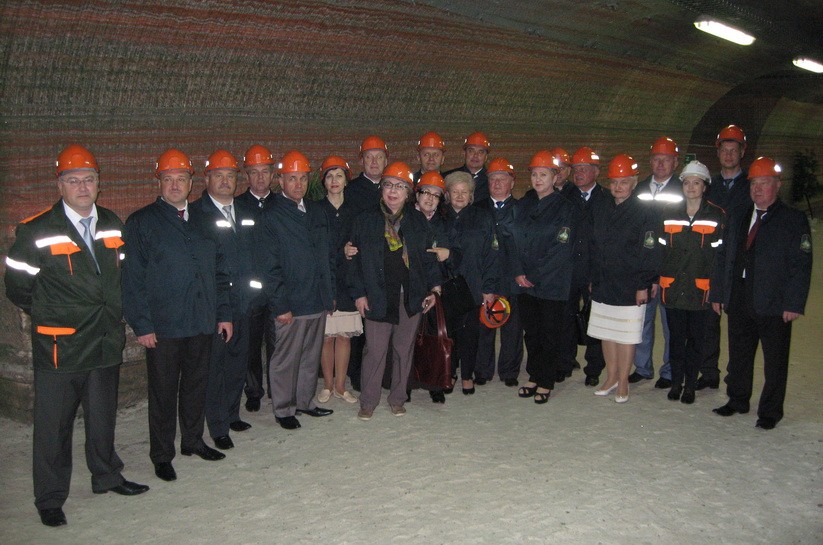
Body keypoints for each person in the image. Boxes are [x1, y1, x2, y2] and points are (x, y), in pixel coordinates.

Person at [5, 145, 149, 527]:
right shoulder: (36, 230)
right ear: (60, 185)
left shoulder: (112, 223)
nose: (82, 187)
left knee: (102, 418)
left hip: (104, 341)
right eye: (73, 180)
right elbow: (18, 288)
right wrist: (54, 314)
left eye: (88, 179)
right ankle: (50, 497)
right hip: (61, 346)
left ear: (99, 183)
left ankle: (107, 476)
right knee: (54, 426)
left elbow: (119, 275)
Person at [122, 148, 232, 483]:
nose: (174, 185)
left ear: (190, 182)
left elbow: (219, 271)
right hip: (164, 326)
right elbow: (132, 279)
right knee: (163, 392)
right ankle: (161, 455)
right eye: (168, 179)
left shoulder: (205, 219)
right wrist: (142, 325)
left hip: (201, 320)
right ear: (159, 182)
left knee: (197, 385)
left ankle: (193, 441)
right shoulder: (141, 222)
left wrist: (223, 313)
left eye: (180, 179)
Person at [710, 157, 812, 430]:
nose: (757, 189)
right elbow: (724, 256)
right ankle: (737, 399)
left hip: (774, 301)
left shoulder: (793, 220)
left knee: (775, 361)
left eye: (764, 183)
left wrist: (794, 303)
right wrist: (719, 292)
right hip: (740, 296)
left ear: (777, 185)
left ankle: (770, 411)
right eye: (754, 184)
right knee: (739, 354)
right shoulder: (739, 215)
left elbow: (801, 265)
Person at [348, 162, 441, 420]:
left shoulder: (417, 221)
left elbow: (428, 257)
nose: (392, 191)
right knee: (375, 351)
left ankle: (398, 398)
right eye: (388, 185)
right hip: (377, 296)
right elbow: (353, 261)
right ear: (381, 189)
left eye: (399, 186)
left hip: (410, 296)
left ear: (408, 192)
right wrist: (359, 294)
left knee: (404, 350)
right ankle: (368, 401)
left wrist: (434, 289)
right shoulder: (365, 220)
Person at [258, 150, 335, 430]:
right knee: (286, 359)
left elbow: (325, 255)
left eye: (303, 178)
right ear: (281, 181)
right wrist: (280, 305)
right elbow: (269, 267)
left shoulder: (316, 210)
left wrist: (328, 294)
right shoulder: (271, 216)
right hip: (290, 303)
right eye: (292, 178)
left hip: (316, 298)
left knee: (310, 357)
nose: (298, 184)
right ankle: (283, 409)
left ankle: (304, 401)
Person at [191, 150, 259, 450]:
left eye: (230, 175)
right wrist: (218, 309)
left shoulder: (244, 211)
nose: (224, 181)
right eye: (218, 175)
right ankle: (217, 425)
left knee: (237, 364)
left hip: (244, 303)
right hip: (217, 306)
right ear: (207, 178)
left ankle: (232, 414)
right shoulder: (196, 215)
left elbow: (254, 254)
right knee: (216, 369)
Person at [587, 154, 661, 403]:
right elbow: (593, 245)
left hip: (630, 284)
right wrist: (592, 276)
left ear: (634, 182)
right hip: (603, 281)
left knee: (625, 335)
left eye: (624, 182)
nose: (618, 187)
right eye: (614, 182)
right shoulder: (601, 206)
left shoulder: (645, 211)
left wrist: (644, 284)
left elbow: (649, 250)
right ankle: (611, 377)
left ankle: (624, 381)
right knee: (606, 331)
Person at [508, 153, 575, 404]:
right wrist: (518, 271)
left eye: (543, 174)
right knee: (532, 333)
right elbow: (512, 239)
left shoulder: (565, 207)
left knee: (549, 333)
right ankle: (534, 376)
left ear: (555, 178)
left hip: (551, 283)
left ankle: (546, 381)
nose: (538, 179)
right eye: (535, 174)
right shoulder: (524, 204)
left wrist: (534, 275)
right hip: (525, 283)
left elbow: (561, 248)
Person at [657, 160, 725, 404]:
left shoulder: (716, 215)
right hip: (673, 289)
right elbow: (660, 252)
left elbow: (720, 258)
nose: (691, 187)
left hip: (700, 291)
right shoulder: (668, 213)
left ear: (704, 187)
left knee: (696, 341)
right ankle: (676, 383)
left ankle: (690, 387)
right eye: (687, 183)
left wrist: (718, 290)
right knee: (676, 340)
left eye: (696, 183)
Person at [699, 125, 752, 390]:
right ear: (717, 152)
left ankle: (735, 379)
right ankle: (709, 373)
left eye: (734, 150)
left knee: (739, 327)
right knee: (709, 321)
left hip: (740, 264)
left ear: (742, 152)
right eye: (724, 150)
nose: (729, 155)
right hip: (712, 261)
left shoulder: (751, 185)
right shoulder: (709, 187)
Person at [630, 136, 683, 389]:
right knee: (643, 320)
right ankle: (642, 367)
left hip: (671, 268)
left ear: (675, 162)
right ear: (650, 162)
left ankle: (670, 371)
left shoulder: (684, 189)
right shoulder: (639, 189)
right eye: (656, 159)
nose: (661, 164)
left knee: (671, 324)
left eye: (666, 159)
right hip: (645, 267)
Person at [444, 170, 498, 394]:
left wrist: (488, 287)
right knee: (448, 333)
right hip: (446, 285)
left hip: (473, 284)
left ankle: (467, 375)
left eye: (464, 192)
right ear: (447, 194)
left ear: (471, 195)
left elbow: (491, 255)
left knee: (470, 334)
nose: (459, 196)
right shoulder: (439, 217)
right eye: (455, 191)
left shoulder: (483, 218)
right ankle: (449, 373)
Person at [344, 136, 390, 391]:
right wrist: (345, 247)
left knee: (386, 326)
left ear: (386, 160)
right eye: (369, 157)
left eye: (379, 157)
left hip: (389, 267)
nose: (374, 162)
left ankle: (384, 374)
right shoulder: (351, 191)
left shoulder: (394, 187)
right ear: (361, 160)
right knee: (360, 327)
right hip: (362, 266)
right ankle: (357, 375)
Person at [473, 158, 524, 387]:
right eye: (493, 179)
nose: (497, 183)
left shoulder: (522, 210)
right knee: (484, 324)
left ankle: (509, 371)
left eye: (502, 179)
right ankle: (482, 370)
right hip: (486, 277)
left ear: (512, 182)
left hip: (512, 277)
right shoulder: (477, 209)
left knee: (512, 328)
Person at [560, 147, 607, 386]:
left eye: (584, 169)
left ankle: (594, 368)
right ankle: (566, 361)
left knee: (595, 320)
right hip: (568, 270)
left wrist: (598, 273)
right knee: (566, 317)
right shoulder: (564, 197)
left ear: (596, 171)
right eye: (576, 169)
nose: (578, 173)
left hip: (593, 270)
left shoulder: (607, 199)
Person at [316, 155, 361, 404]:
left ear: (346, 181)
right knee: (326, 337)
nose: (334, 181)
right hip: (324, 280)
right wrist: (339, 251)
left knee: (344, 336)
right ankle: (327, 385)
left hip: (348, 281)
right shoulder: (315, 211)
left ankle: (341, 387)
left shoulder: (355, 212)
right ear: (324, 181)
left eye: (339, 176)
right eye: (330, 176)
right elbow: (314, 248)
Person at [414, 171, 458, 403]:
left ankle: (435, 384)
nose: (430, 198)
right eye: (426, 192)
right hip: (410, 288)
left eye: (436, 195)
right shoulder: (404, 219)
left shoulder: (446, 225)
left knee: (435, 337)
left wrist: (447, 256)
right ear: (417, 194)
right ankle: (408, 383)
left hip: (437, 289)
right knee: (409, 338)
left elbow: (456, 258)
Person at [238, 144, 277, 412]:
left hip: (277, 290)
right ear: (247, 176)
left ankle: (278, 390)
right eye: (254, 172)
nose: (260, 177)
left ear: (272, 174)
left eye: (265, 171)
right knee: (250, 346)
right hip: (250, 293)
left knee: (278, 345)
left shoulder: (282, 205)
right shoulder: (238, 206)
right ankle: (253, 391)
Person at [443, 131, 491, 203]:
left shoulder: (493, 181)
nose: (475, 155)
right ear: (464, 153)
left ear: (486, 157)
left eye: (480, 152)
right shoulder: (447, 178)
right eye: (471, 151)